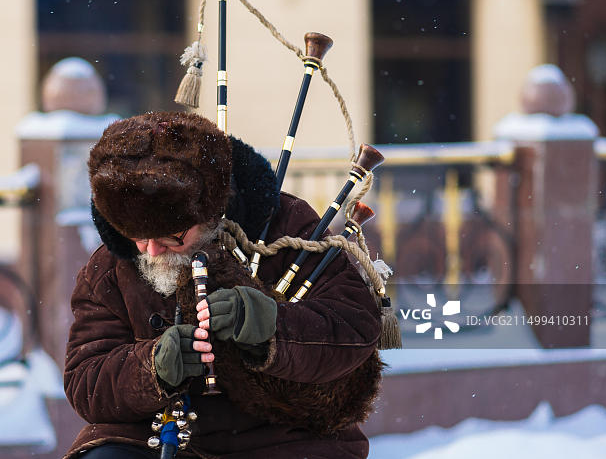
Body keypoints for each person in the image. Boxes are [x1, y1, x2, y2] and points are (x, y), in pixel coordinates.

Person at [63, 111, 383, 459]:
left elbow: (355, 328)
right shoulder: (110, 266)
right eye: (139, 237)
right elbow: (86, 381)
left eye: (172, 236)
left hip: (285, 437)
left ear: (213, 212)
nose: (152, 251)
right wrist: (151, 366)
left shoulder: (285, 226)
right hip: (156, 434)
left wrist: (272, 324)